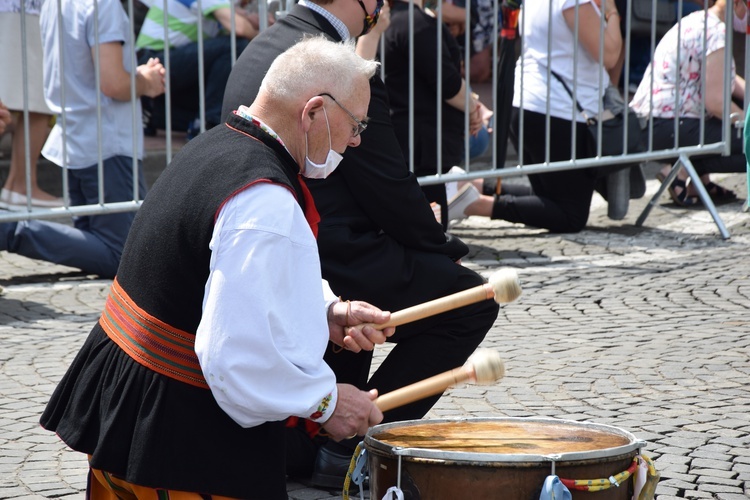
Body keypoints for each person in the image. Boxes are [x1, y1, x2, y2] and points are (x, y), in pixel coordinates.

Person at [40, 36, 391, 499]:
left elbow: (218, 275)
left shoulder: (219, 143)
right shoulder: (262, 199)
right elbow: (234, 355)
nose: (357, 138)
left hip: (134, 408)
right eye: (355, 122)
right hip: (180, 439)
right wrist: (325, 402)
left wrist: (324, 310)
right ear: (313, 112)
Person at [221, 0, 500, 489]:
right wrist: (440, 245)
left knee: (372, 316)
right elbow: (386, 182)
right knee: (470, 300)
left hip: (299, 240)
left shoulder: (262, 44)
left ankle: (317, 439)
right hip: (325, 248)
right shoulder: (333, 61)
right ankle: (347, 444)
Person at [0, 0, 165, 278]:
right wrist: (147, 81)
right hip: (106, 141)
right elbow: (112, 83)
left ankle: (9, 227)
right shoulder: (103, 5)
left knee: (104, 246)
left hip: (78, 138)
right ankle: (7, 227)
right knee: (124, 256)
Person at [448, 0, 623, 233]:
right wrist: (612, 12)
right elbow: (609, 55)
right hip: (558, 111)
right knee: (570, 215)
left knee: (549, 197)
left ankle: (471, 186)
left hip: (531, 104)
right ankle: (475, 204)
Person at [382, 0, 489, 228]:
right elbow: (448, 83)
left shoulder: (394, 19)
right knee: (432, 227)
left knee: (423, 218)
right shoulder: (416, 23)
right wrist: (472, 109)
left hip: (413, 139)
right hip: (423, 143)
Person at [630, 0, 746, 206]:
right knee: (745, 141)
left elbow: (726, 76)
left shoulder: (699, 21)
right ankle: (682, 170)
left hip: (654, 122)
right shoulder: (716, 33)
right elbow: (716, 103)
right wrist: (746, 124)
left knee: (728, 124)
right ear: (737, 4)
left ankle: (696, 179)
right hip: (669, 124)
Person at [136, 0, 265, 138]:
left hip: (169, 64)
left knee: (221, 72)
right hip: (153, 62)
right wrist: (267, 37)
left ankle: (155, 112)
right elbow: (239, 27)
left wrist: (249, 17)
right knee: (235, 46)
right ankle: (208, 123)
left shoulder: (217, 7)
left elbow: (234, 17)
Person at [0, 0, 61, 210]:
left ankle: (17, 187)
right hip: (27, 13)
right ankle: (22, 188)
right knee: (36, 99)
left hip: (20, 12)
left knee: (30, 101)